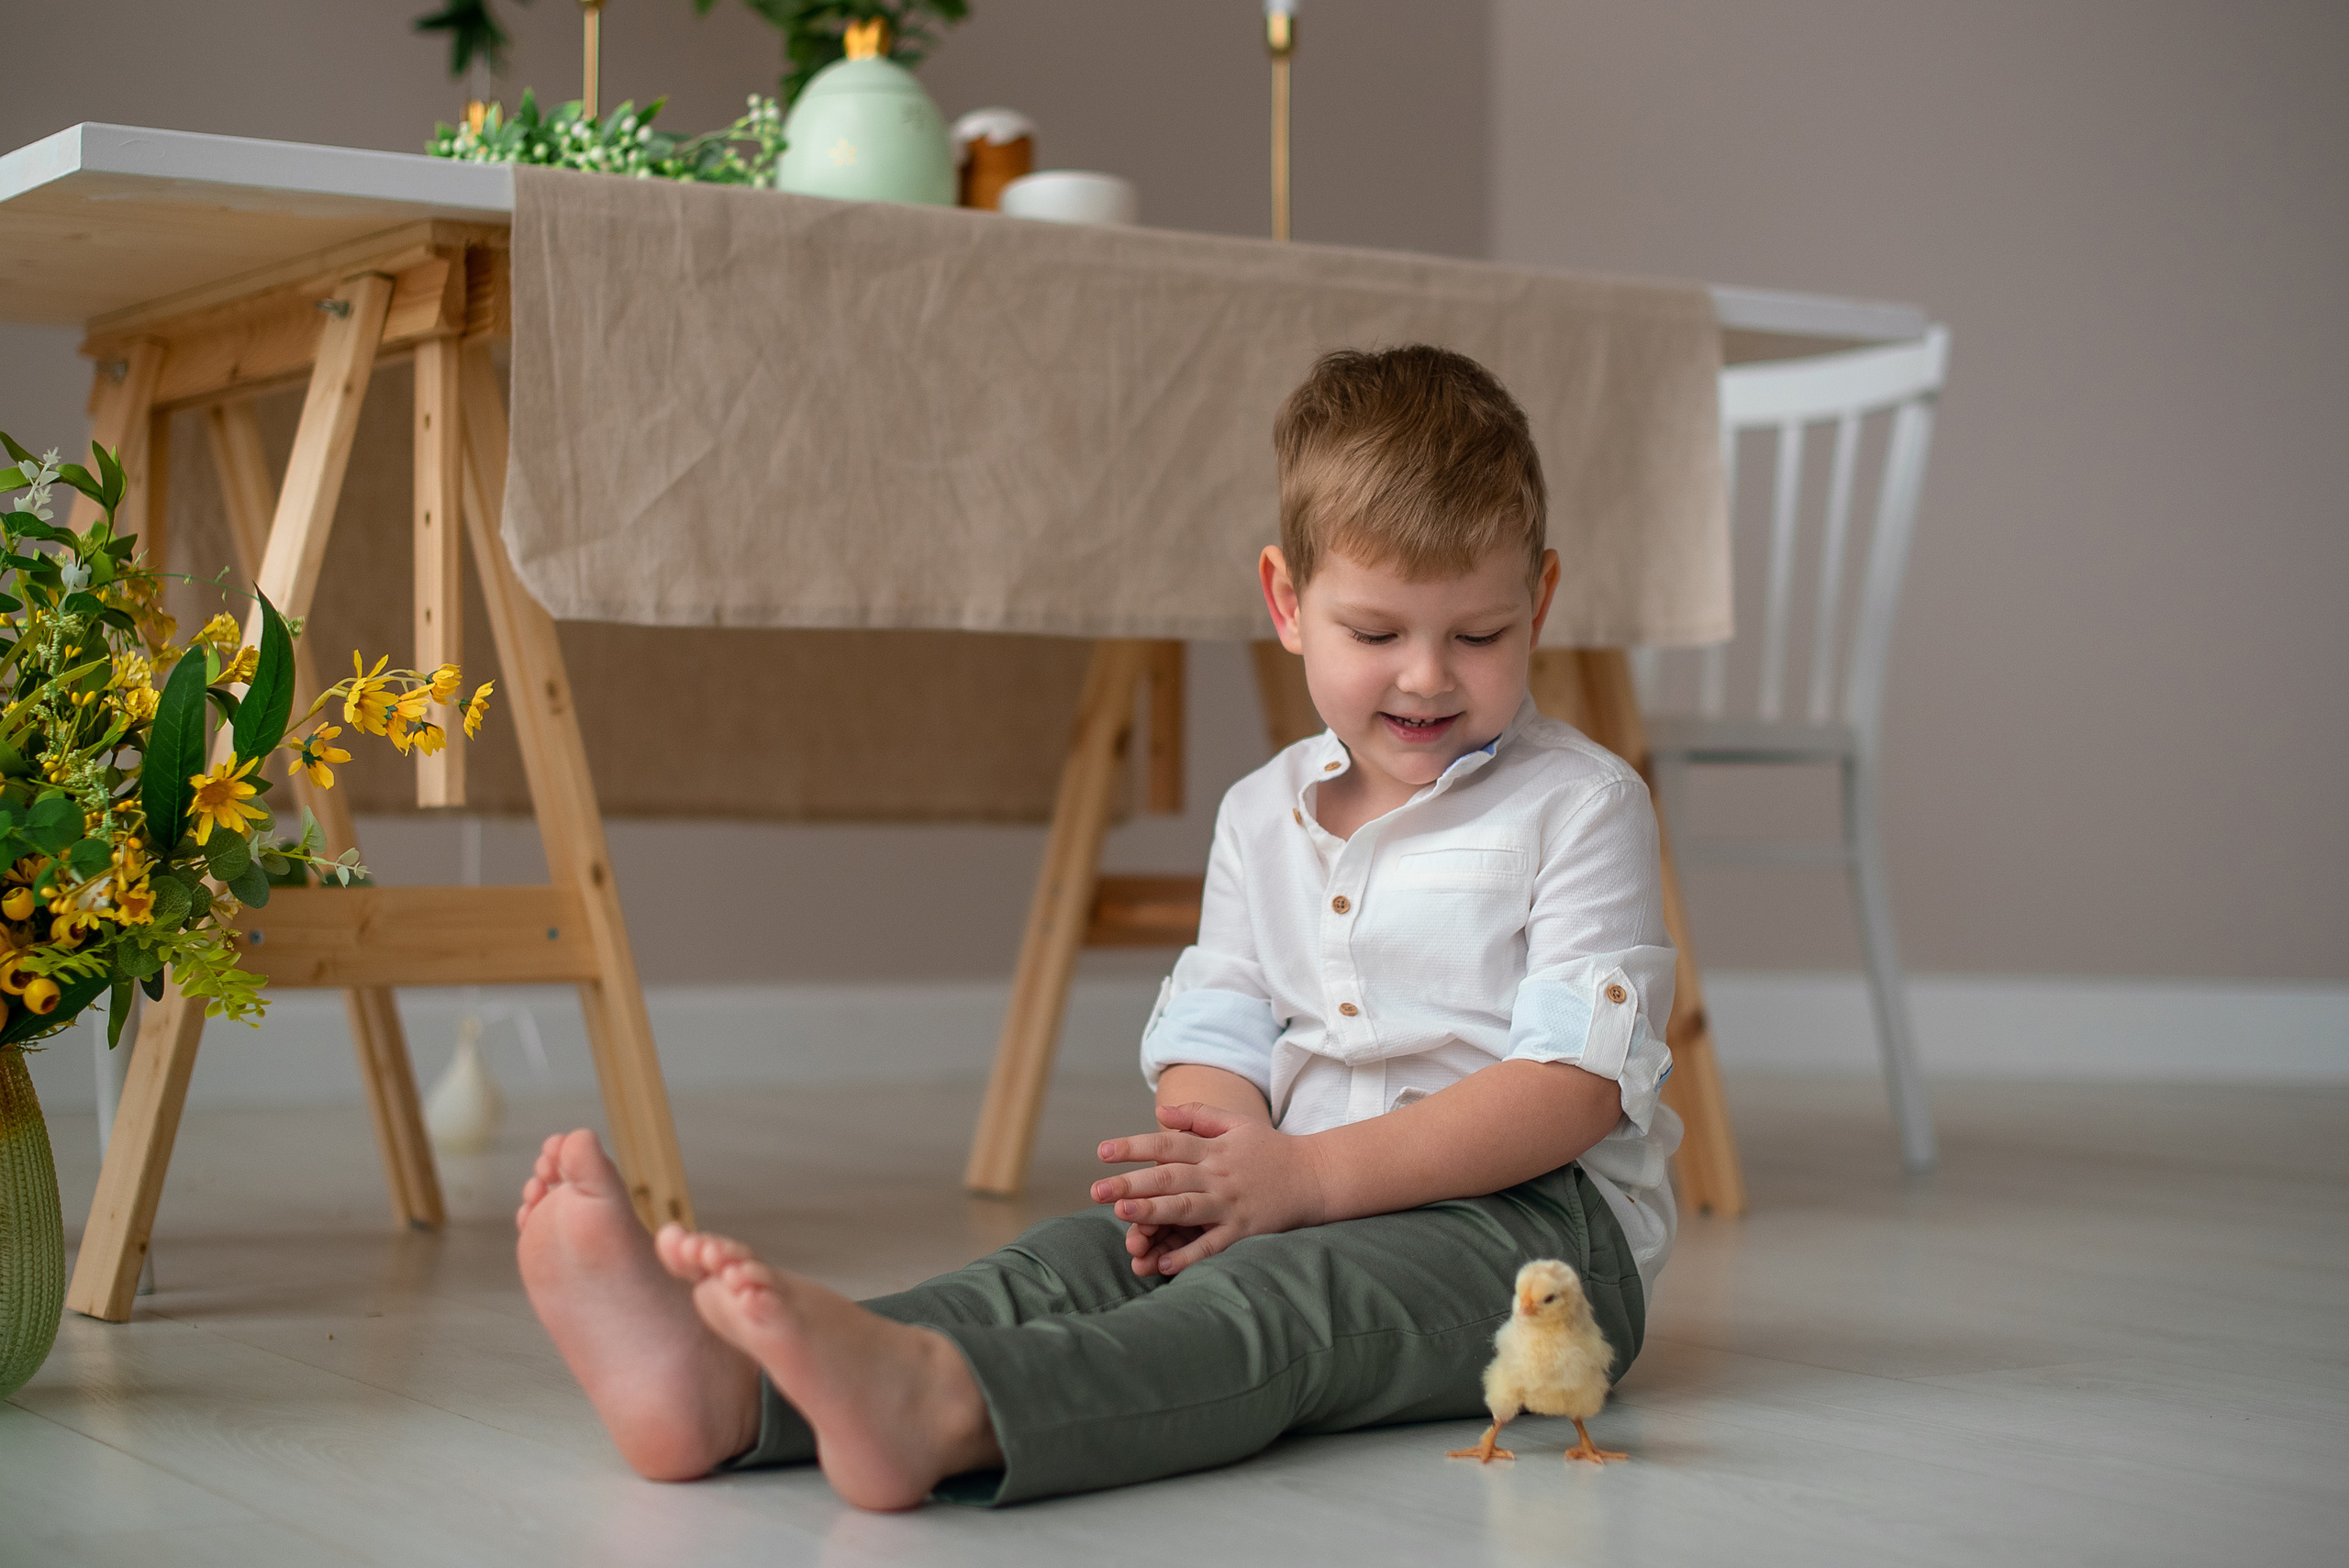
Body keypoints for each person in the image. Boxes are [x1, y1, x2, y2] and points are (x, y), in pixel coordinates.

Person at [515, 344, 1681, 1510]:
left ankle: (947, 1405)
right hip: (1298, 1179)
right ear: (1286, 601)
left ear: (1537, 600)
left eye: (1477, 635)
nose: (1426, 677)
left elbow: (1570, 1087)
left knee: (1276, 1305)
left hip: (1533, 1234)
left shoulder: (1581, 803)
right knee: (1073, 1258)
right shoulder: (1260, 812)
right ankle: (733, 1388)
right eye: (1376, 633)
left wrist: (1308, 1177)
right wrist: (1225, 1167)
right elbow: (1219, 1024)